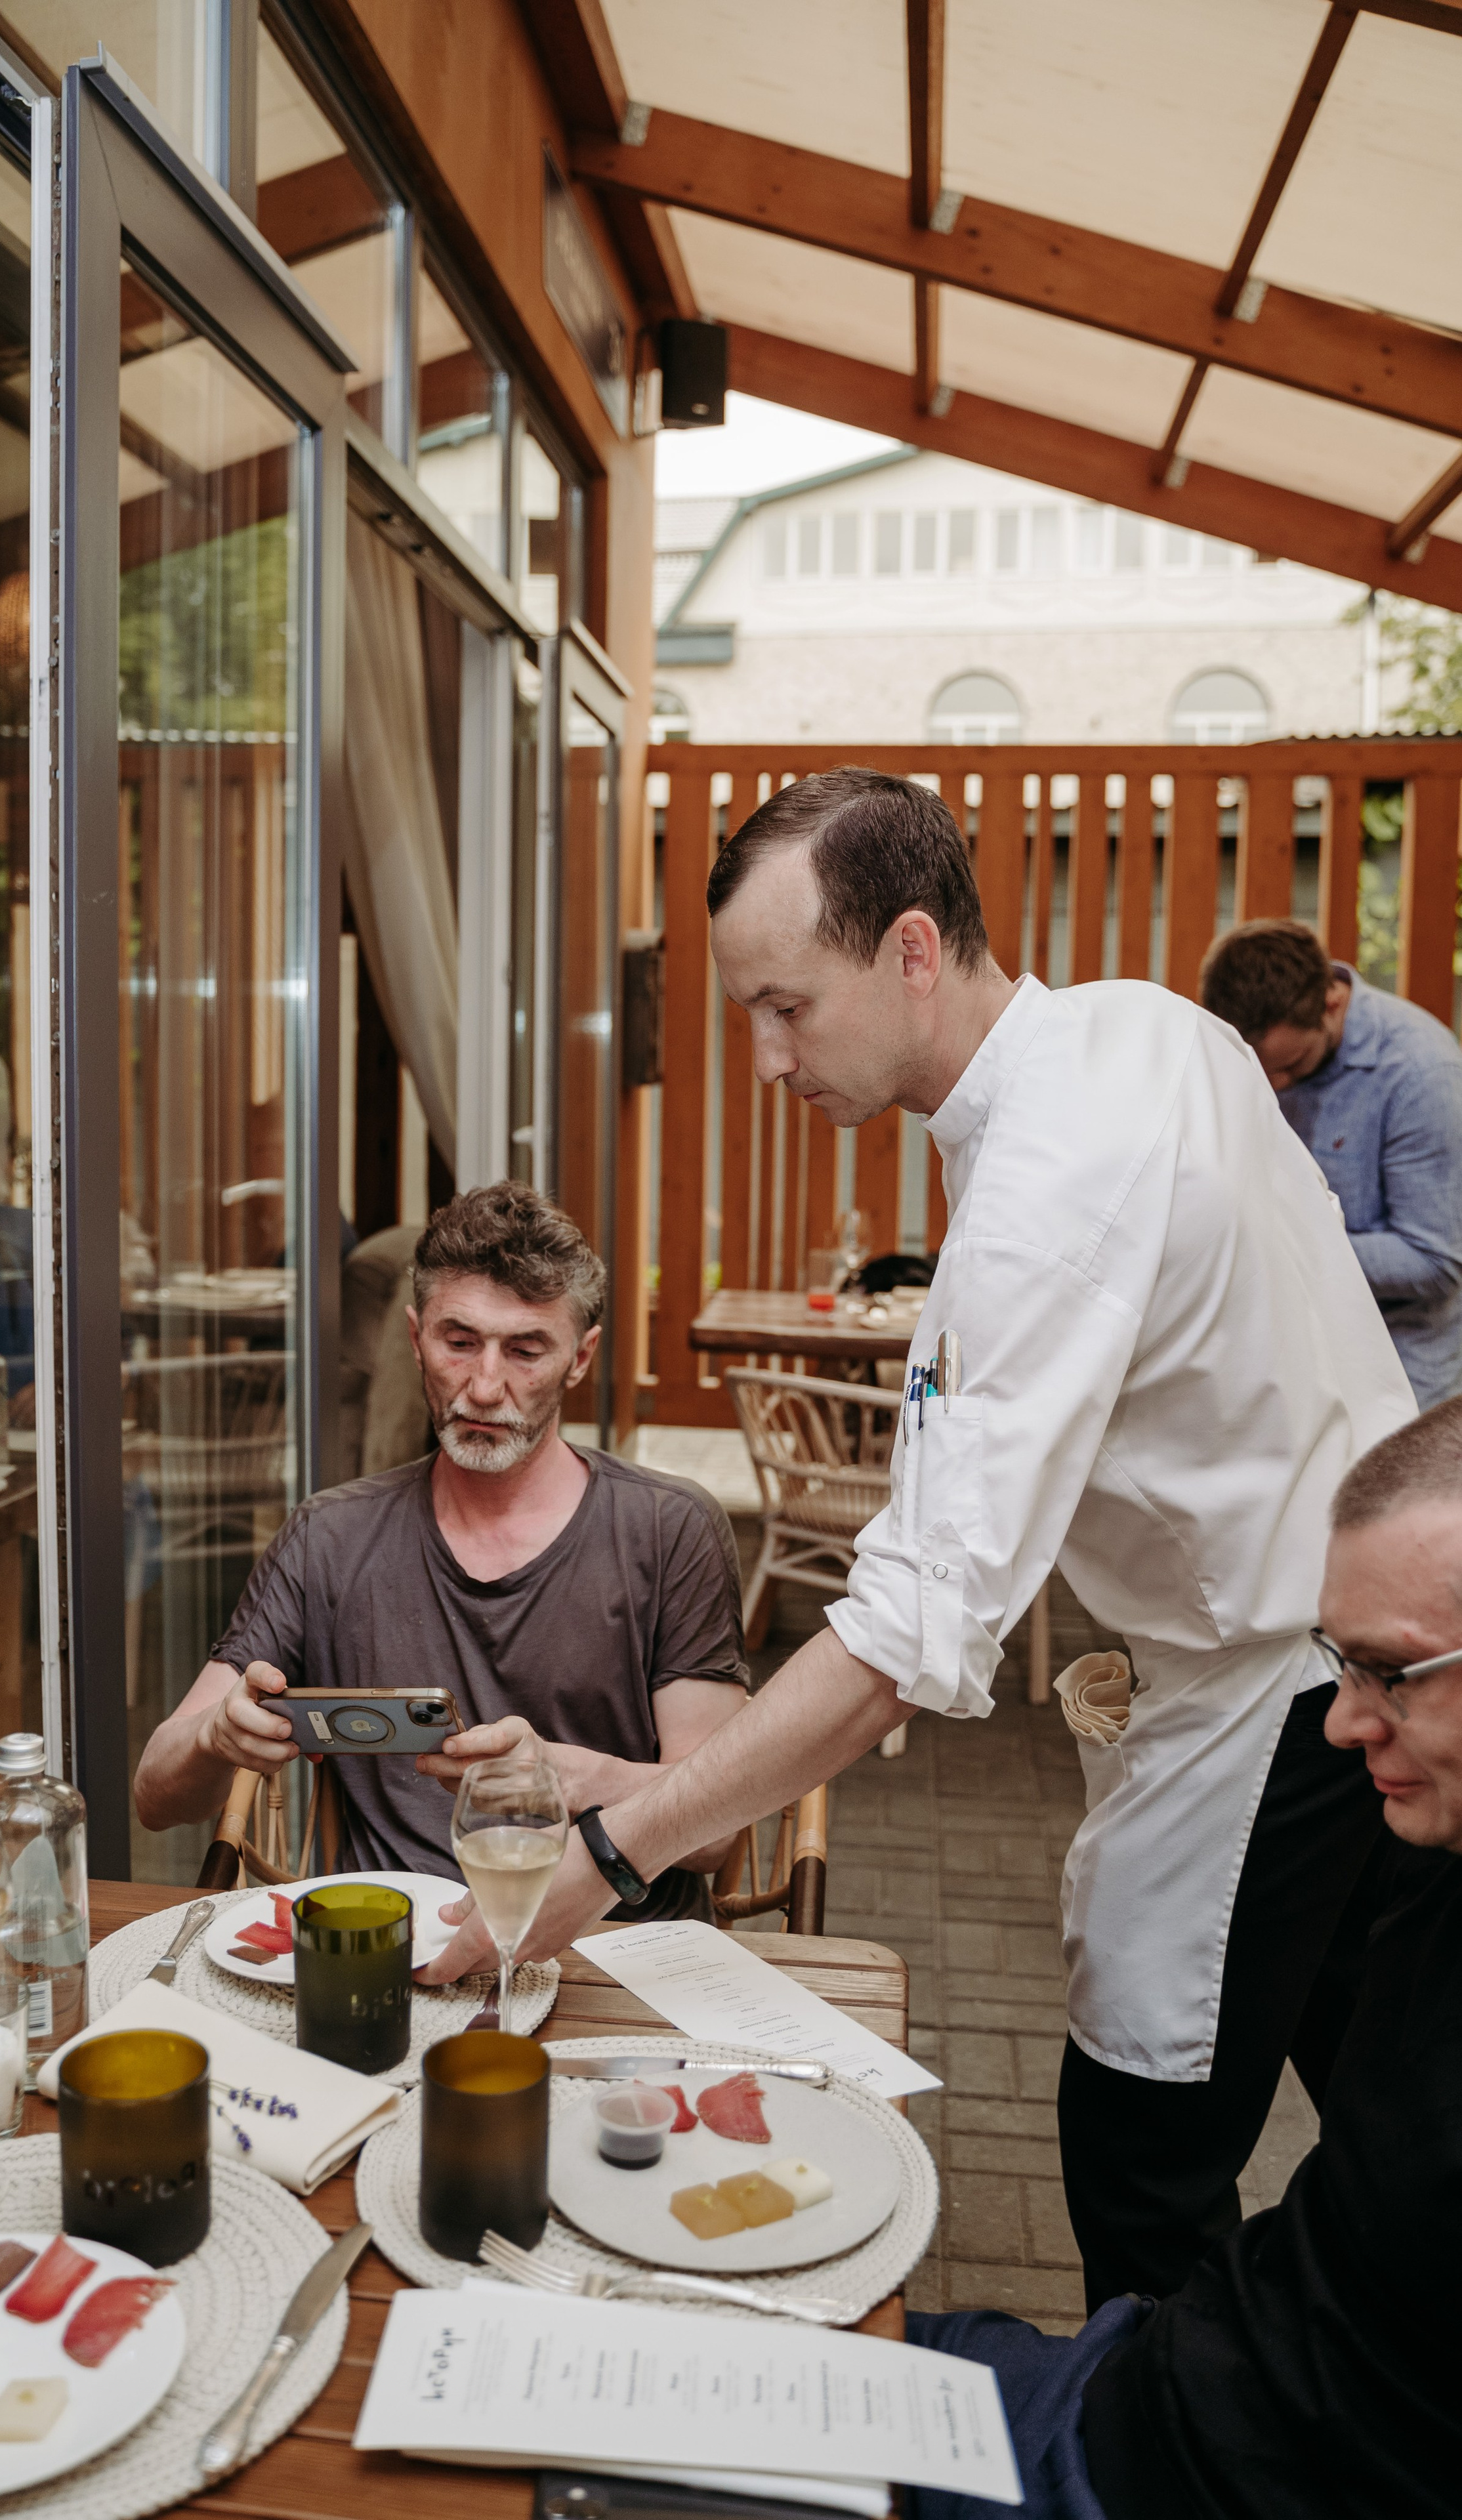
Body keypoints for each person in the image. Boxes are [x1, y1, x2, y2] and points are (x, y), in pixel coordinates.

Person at [425, 767, 1414, 2309]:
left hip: (1270, 1697)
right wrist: (685, 1771)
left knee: (1140, 2155)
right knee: (1396, 2117)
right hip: (1376, 1663)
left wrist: (617, 1848)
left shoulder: (1040, 1184)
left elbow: (902, 1635)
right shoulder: (1146, 1028)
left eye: (782, 1007)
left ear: (903, 947)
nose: (761, 1058)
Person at [902, 1402, 1462, 2519]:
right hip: (1158, 2376)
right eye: (1337, 1664)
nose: (1346, 1724)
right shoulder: (1433, 1861)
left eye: (1390, 1674)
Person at [134, 1181, 747, 1916]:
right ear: (414, 1336)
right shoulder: (330, 1538)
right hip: (400, 1957)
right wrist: (214, 1738)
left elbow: (718, 1835)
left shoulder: (668, 1528)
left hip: (613, 1957)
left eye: (525, 1350)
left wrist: (577, 1779)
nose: (484, 1387)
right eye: (459, 1342)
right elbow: (153, 1797)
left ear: (580, 1358)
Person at [1201, 917, 1462, 1407]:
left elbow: (1433, 1262)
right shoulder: (1256, 1052)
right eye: (1259, 1070)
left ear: (1332, 1003)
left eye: (1292, 1068)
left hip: (1402, 1370)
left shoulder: (1421, 1072)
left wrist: (1280, 1238)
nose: (1273, 1088)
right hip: (1295, 1352)